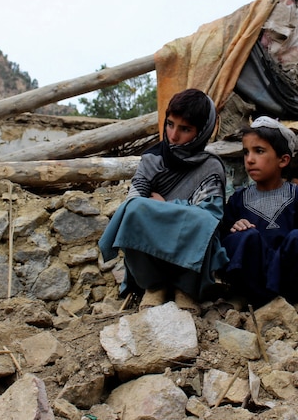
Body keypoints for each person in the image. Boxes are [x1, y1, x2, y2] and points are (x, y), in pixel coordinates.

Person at [98, 88, 229, 313]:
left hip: (190, 256)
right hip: (153, 253)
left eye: (185, 129)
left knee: (201, 222)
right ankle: (154, 286)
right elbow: (135, 200)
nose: (173, 135)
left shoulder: (211, 167)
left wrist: (163, 206)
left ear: (202, 131)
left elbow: (210, 217)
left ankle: (185, 289)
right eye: (170, 124)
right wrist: (176, 210)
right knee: (134, 211)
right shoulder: (152, 159)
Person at [219, 116, 298, 327]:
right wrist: (235, 230)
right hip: (252, 280)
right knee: (245, 235)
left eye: (259, 151)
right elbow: (222, 241)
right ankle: (242, 297)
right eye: (246, 152)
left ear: (283, 160)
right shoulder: (237, 200)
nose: (249, 159)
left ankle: (295, 301)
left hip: (288, 280)